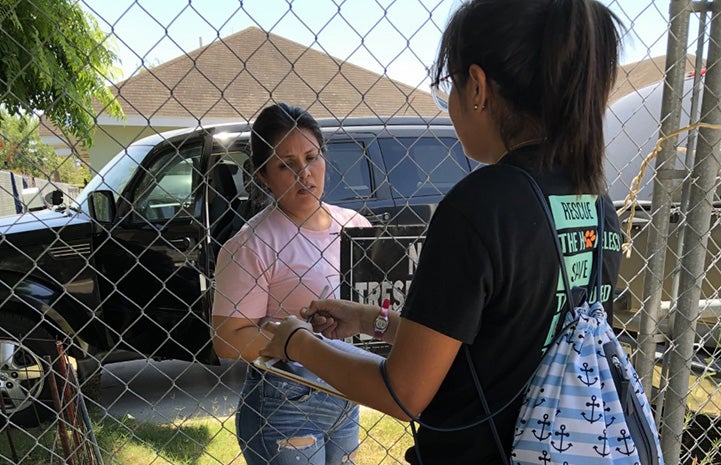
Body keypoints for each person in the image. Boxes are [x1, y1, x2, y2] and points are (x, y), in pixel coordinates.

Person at [259, 1, 625, 464]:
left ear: (478, 87)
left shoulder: (480, 207)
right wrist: (369, 320)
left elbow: (403, 391)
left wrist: (297, 342)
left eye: (449, 84)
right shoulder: (595, 201)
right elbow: (501, 342)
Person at [211, 102, 371, 465]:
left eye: (312, 157)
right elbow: (226, 336)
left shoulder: (357, 229)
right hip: (284, 402)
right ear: (264, 175)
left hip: (346, 392)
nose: (305, 174)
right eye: (286, 165)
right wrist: (300, 341)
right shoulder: (252, 243)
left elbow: (379, 307)